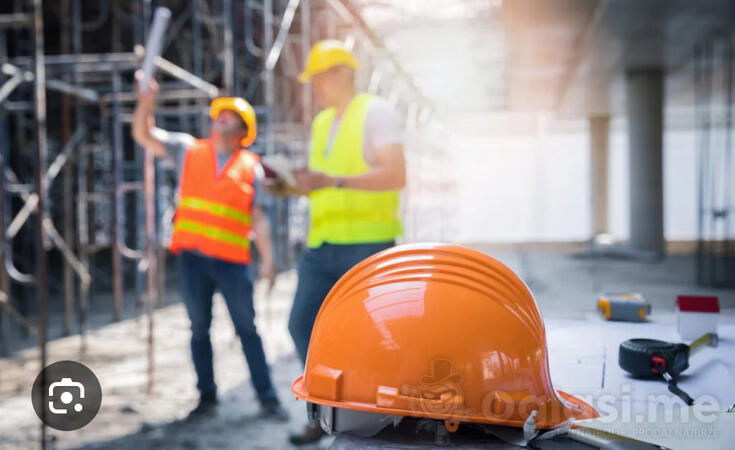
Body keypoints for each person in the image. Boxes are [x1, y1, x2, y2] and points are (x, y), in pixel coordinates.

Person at [132, 74, 288, 421]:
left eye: (230, 114)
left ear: (242, 128)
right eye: (220, 113)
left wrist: (268, 261)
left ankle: (267, 397)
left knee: (247, 330)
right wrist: (147, 101)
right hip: (193, 260)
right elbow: (144, 134)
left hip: (233, 263)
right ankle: (207, 396)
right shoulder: (189, 150)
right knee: (198, 329)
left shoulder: (252, 167)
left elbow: (258, 218)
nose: (221, 117)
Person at [284, 40, 406, 444]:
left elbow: (395, 175)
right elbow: (324, 181)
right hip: (323, 244)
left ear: (340, 74)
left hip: (367, 247)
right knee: (303, 325)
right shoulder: (322, 123)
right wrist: (292, 186)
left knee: (373, 337)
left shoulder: (376, 112)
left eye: (318, 77)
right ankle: (324, 414)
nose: (314, 86)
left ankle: (374, 414)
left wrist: (332, 181)